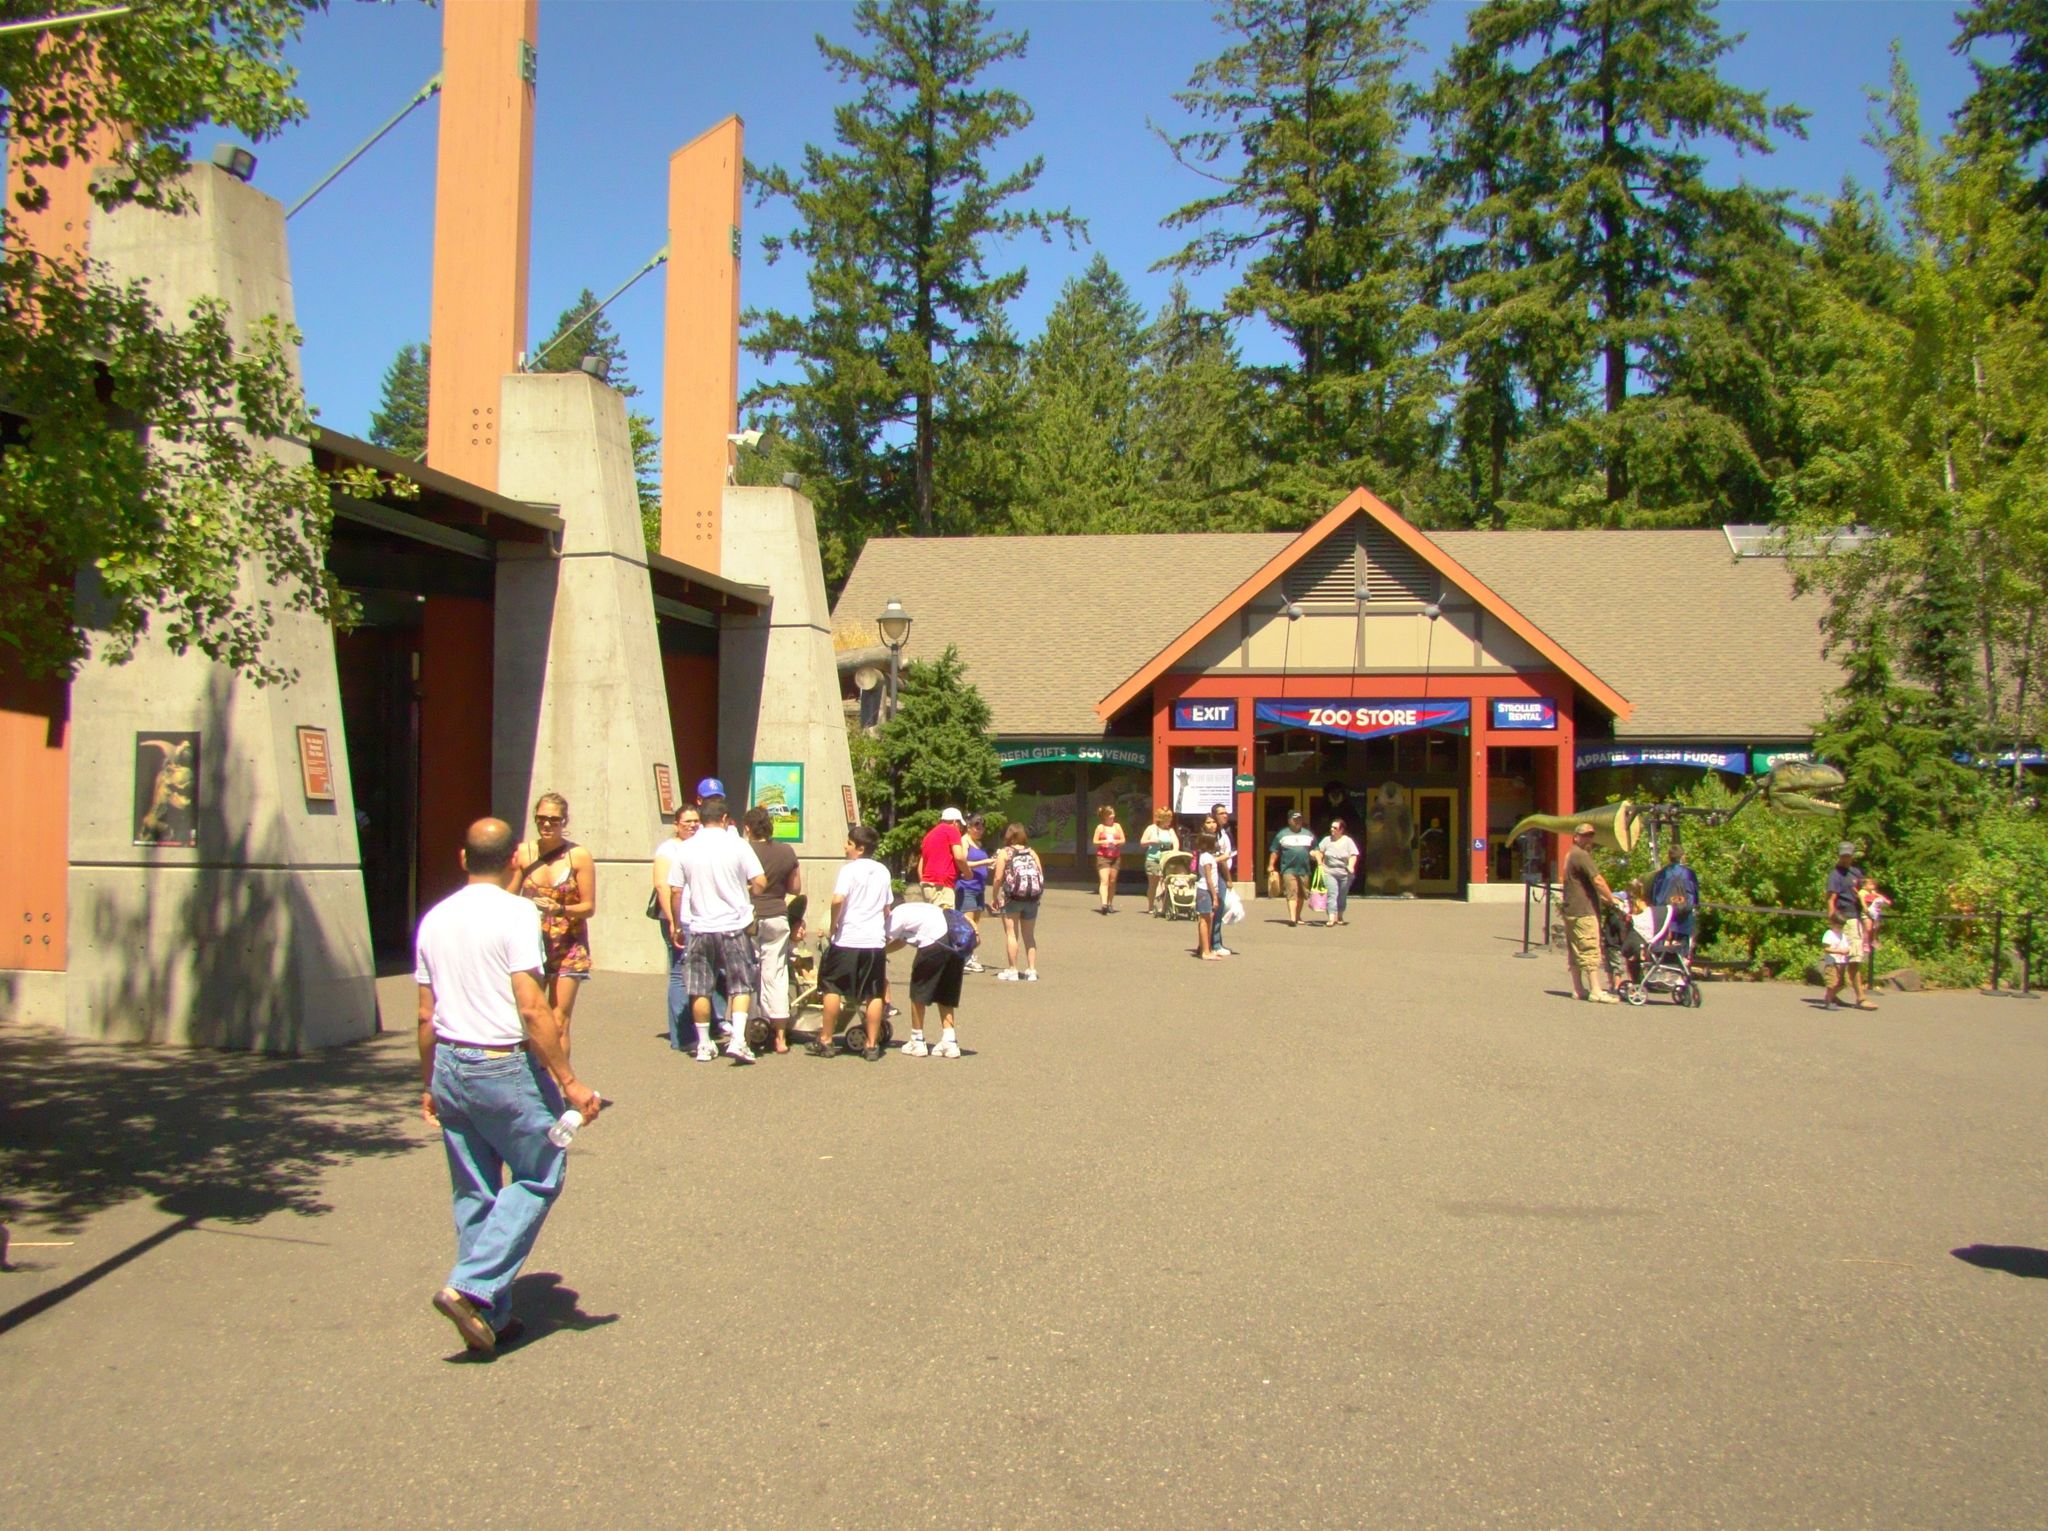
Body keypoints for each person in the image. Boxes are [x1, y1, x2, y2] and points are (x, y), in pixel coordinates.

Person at [416, 817, 601, 1357]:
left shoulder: (433, 919)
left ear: (461, 858)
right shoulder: (517, 913)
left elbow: (426, 1015)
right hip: (500, 1064)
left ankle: (487, 1314)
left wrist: (428, 1081)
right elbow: (530, 1004)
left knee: (474, 1187)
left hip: (450, 1060)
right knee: (542, 1170)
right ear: (515, 861)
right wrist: (568, 1080)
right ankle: (471, 1285)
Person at [667, 793, 768, 1062]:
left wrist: (677, 924)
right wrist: (745, 892)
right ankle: (737, 1039)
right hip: (733, 925)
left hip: (700, 926)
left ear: (702, 820)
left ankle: (703, 1043)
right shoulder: (737, 845)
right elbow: (760, 882)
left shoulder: (685, 848)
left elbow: (675, 890)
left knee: (699, 987)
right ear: (725, 819)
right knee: (740, 985)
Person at [518, 792, 595, 1044]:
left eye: (554, 819)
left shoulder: (579, 856)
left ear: (565, 821)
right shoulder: (523, 853)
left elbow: (588, 907)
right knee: (532, 1018)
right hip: (531, 943)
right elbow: (508, 899)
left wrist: (560, 909)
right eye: (541, 819)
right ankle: (536, 1078)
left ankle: (560, 1082)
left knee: (559, 1019)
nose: (547, 824)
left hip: (568, 944)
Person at [814, 823, 892, 1059]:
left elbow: (838, 899)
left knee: (832, 987)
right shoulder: (883, 871)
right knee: (873, 993)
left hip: (848, 938)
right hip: (873, 941)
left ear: (859, 848)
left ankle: (826, 1039)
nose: (845, 847)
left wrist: (834, 923)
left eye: (848, 843)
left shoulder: (849, 870)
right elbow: (887, 908)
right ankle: (871, 1044)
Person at [743, 805, 803, 1054]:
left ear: (747, 829)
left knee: (749, 974)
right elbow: (795, 888)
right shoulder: (786, 851)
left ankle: (752, 1028)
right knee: (776, 974)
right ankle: (780, 1037)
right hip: (778, 916)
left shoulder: (742, 851)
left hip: (749, 917)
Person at [884, 899, 969, 1058]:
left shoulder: (895, 916)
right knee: (946, 992)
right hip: (954, 943)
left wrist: (875, 955)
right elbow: (900, 942)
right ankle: (949, 1042)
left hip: (933, 943)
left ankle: (917, 1040)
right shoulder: (916, 908)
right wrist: (884, 953)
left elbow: (883, 941)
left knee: (918, 991)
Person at [652, 804, 705, 1051]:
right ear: (676, 825)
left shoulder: (699, 845)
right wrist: (673, 922)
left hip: (699, 917)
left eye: (696, 821)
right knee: (679, 974)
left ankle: (705, 1026)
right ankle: (682, 1036)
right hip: (678, 918)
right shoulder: (668, 849)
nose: (693, 825)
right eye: (687, 822)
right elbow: (663, 886)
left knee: (701, 973)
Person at [1561, 823, 1619, 1003]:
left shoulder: (1570, 854)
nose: (1589, 839)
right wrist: (1612, 899)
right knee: (1590, 947)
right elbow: (1598, 880)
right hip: (1584, 910)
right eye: (1585, 835)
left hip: (1571, 909)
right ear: (1576, 837)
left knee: (1575, 949)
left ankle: (1578, 988)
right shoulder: (1581, 855)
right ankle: (1595, 989)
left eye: (1591, 835)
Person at [1825, 841, 1878, 1012]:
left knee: (1850, 959)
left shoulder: (1856, 873)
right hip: (1845, 919)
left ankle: (1832, 995)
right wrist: (1832, 919)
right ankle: (1861, 998)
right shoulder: (1835, 875)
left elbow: (1864, 892)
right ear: (1839, 855)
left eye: (1848, 855)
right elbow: (1831, 899)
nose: (1846, 858)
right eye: (1843, 855)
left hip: (1856, 918)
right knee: (1853, 958)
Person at [990, 821, 1042, 981]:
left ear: (1009, 835)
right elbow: (1040, 874)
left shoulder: (1005, 853)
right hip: (1032, 898)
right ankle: (1031, 970)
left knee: (1012, 934)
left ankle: (1013, 969)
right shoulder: (1031, 853)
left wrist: (994, 897)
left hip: (1012, 898)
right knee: (1029, 935)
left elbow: (998, 878)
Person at [1648, 843, 1702, 953]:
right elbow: (1695, 894)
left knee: (1661, 943)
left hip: (1665, 913)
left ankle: (1661, 962)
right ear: (1682, 856)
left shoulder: (1661, 874)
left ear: (1669, 857)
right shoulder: (1689, 874)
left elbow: (1655, 895)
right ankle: (1681, 962)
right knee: (1682, 944)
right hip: (1684, 913)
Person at [1267, 808, 1317, 927]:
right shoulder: (1282, 834)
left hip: (1304, 869)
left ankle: (1298, 916)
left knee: (1302, 894)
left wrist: (1316, 857)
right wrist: (1271, 865)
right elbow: (1275, 851)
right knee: (1292, 892)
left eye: (1299, 819)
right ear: (1289, 820)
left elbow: (1316, 849)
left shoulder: (1308, 834)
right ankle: (1292, 918)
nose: (1297, 821)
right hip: (1288, 869)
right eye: (1295, 819)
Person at [957, 813, 994, 972]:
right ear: (968, 827)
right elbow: (963, 862)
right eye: (976, 826)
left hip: (979, 887)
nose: (980, 829)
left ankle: (968, 954)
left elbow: (977, 864)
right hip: (966, 887)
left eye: (982, 826)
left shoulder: (977, 843)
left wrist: (989, 865)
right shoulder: (964, 841)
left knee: (975, 923)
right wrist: (984, 862)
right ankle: (965, 957)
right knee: (968, 924)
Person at [1313, 817, 1359, 928]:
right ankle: (1331, 918)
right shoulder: (1326, 840)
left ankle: (1340, 915)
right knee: (1332, 894)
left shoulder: (1348, 841)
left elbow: (1353, 855)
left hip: (1345, 872)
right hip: (1330, 871)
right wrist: (1319, 861)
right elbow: (1319, 852)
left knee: (1342, 895)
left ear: (1341, 830)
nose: (1332, 829)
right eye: (1331, 827)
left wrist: (1351, 866)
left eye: (1335, 828)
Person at [919, 806, 967, 909]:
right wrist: (968, 873)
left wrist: (923, 881)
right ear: (955, 822)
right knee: (946, 921)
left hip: (927, 885)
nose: (961, 829)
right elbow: (959, 857)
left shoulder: (929, 835)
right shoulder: (952, 830)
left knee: (932, 922)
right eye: (961, 826)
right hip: (942, 886)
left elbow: (921, 866)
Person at [1139, 807, 1179, 916]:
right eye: (1167, 818)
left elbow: (1175, 842)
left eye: (1170, 818)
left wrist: (1175, 851)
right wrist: (1151, 841)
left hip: (1167, 860)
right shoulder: (1151, 828)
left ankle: (1165, 906)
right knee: (1153, 884)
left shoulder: (1170, 830)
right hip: (1153, 859)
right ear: (1161, 818)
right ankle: (1150, 906)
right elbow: (1142, 842)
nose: (1169, 821)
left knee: (1166, 883)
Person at [1193, 830, 1225, 960]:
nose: (1217, 843)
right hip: (1205, 890)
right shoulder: (1206, 857)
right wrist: (1215, 896)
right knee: (1205, 920)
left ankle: (1205, 947)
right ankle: (1205, 951)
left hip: (1207, 891)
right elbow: (1209, 878)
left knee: (1208, 919)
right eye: (1215, 841)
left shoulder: (1208, 856)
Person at [1211, 804, 1238, 955]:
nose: (1225, 815)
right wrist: (1228, 879)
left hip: (1223, 871)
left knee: (1218, 909)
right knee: (1217, 907)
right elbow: (1220, 859)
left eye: (1226, 813)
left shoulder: (1224, 832)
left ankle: (1215, 942)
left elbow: (1230, 853)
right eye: (1221, 813)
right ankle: (1214, 944)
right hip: (1218, 874)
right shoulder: (1215, 835)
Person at [1092, 804, 1125, 914]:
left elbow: (1123, 840)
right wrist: (1104, 842)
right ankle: (1104, 904)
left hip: (1115, 856)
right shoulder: (1100, 827)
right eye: (1110, 816)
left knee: (1112, 881)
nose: (1112, 817)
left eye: (1113, 815)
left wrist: (1116, 841)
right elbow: (1095, 841)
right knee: (1104, 880)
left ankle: (1110, 902)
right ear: (1105, 817)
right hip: (1103, 856)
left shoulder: (1117, 826)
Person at [1821, 911, 1857, 1009]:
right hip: (1832, 963)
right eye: (1838, 925)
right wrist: (1838, 951)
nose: (1840, 927)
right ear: (1833, 923)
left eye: (1842, 926)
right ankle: (1828, 1001)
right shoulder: (1829, 934)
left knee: (1841, 984)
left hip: (1842, 962)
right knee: (1832, 983)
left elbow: (1846, 946)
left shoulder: (1842, 935)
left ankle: (1829, 996)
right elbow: (1826, 949)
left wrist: (1848, 950)